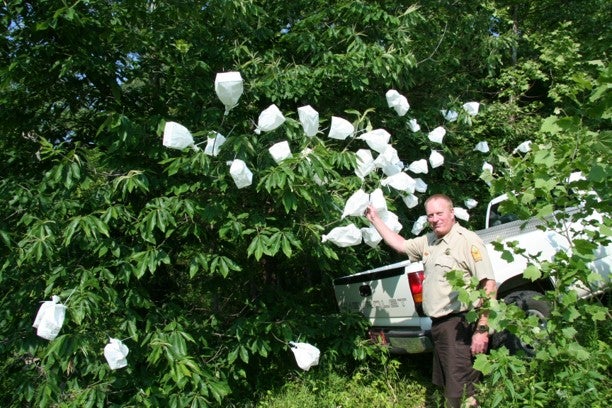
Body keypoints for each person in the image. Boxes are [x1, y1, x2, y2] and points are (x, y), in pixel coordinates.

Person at [365, 194, 497, 408]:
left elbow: (488, 286)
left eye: (439, 213)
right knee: (450, 388)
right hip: (439, 327)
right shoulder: (430, 240)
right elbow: (401, 245)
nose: (435, 219)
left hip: (459, 326)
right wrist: (375, 219)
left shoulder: (467, 240)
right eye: (430, 215)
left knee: (462, 392)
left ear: (452, 213)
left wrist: (482, 329)